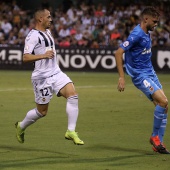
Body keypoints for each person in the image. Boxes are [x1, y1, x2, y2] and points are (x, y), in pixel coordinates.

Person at [15, 9, 84, 145]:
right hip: (41, 78)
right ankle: (21, 126)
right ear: (40, 19)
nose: (51, 19)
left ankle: (71, 131)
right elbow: (25, 57)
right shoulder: (32, 36)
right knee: (42, 112)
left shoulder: (47, 32)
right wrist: (43, 55)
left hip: (56, 73)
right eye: (49, 17)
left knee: (73, 95)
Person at [115, 6, 169, 154]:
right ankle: (154, 137)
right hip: (140, 76)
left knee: (164, 106)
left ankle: (159, 144)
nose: (157, 24)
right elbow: (118, 53)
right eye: (155, 21)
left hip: (150, 72)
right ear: (146, 19)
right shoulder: (137, 34)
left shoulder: (146, 32)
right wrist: (122, 77)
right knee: (163, 102)